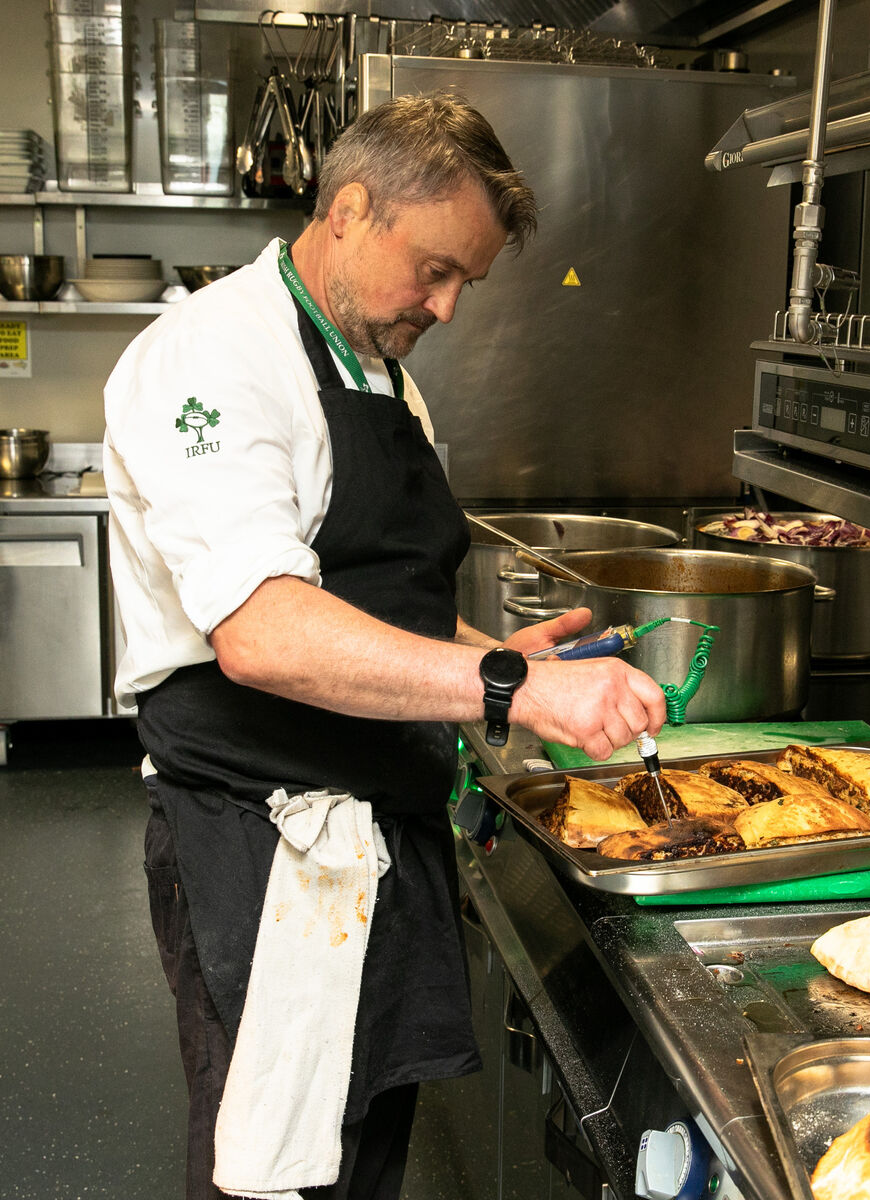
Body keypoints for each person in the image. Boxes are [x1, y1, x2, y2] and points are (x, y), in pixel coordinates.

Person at [103, 92, 665, 1200]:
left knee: (360, 1153)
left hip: (375, 823)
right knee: (271, 1167)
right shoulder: (211, 359)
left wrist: (513, 666)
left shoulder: (375, 368)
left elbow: (368, 605)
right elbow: (264, 632)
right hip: (263, 838)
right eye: (437, 270)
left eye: (467, 282)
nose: (448, 308)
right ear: (351, 209)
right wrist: (509, 686)